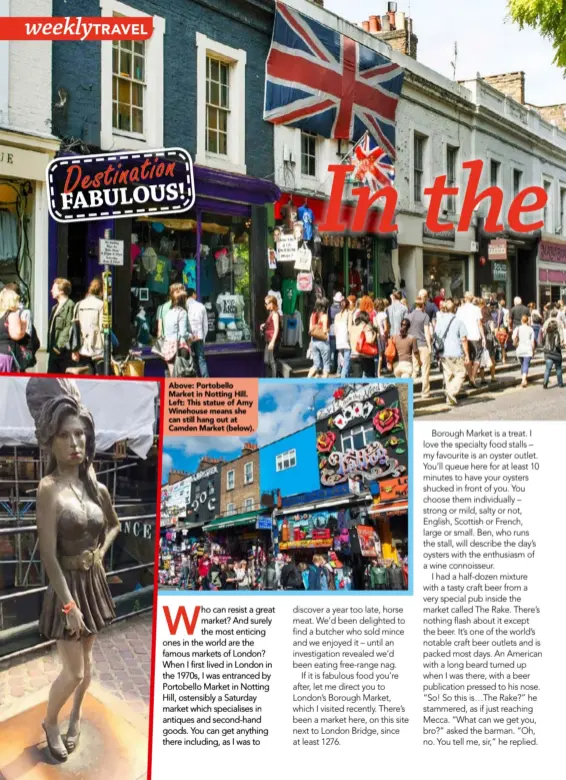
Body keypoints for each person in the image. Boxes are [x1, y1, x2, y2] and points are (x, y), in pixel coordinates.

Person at [26, 378, 120, 761]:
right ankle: (51, 721)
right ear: (52, 440)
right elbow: (47, 555)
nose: (75, 443)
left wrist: (101, 551)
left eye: (80, 434)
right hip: (66, 588)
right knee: (74, 671)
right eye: (66, 436)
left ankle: (76, 717)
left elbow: (113, 525)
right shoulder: (48, 489)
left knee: (89, 662)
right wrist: (69, 606)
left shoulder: (93, 485)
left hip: (92, 581)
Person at [435, 300, 470, 405]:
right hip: (455, 352)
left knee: (448, 374)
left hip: (443, 352)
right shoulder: (459, 321)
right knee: (461, 373)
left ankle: (449, 399)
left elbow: (436, 336)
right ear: (455, 309)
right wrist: (467, 354)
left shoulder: (440, 321)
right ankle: (451, 392)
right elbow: (463, 339)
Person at [71, 278, 104, 374]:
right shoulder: (101, 305)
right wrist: (108, 351)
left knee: (85, 382)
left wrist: (74, 350)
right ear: (101, 291)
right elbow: (103, 329)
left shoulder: (79, 304)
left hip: (83, 348)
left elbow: (75, 328)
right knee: (101, 382)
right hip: (98, 349)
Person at [456, 291, 485, 387]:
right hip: (475, 335)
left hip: (464, 336)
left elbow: (457, 324)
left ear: (464, 298)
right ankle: (472, 377)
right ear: (472, 298)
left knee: (467, 357)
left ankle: (470, 377)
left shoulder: (460, 309)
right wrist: (483, 337)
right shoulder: (476, 309)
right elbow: (479, 324)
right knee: (477, 357)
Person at [162, 288, 192, 377]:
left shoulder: (168, 313)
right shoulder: (182, 312)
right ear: (183, 300)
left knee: (171, 375)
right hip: (179, 348)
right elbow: (183, 333)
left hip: (167, 348)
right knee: (182, 376)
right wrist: (191, 336)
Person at [48, 278, 75, 374]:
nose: (51, 291)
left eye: (54, 289)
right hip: (53, 350)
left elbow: (68, 328)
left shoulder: (70, 305)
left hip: (62, 352)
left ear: (61, 291)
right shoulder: (54, 307)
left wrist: (58, 347)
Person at [407, 297, 432, 397]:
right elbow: (427, 332)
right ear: (423, 305)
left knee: (414, 369)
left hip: (412, 346)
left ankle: (408, 390)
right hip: (422, 344)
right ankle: (425, 392)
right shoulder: (425, 316)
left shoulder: (408, 316)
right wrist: (429, 346)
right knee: (425, 370)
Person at [0, 287, 27, 371]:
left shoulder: (1, 314)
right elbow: (16, 335)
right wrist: (24, 327)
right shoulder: (11, 315)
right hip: (6, 355)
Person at [185, 288, 209, 377]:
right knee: (201, 359)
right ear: (193, 294)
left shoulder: (184, 307)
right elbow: (205, 325)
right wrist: (203, 338)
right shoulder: (201, 306)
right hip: (199, 336)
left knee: (190, 360)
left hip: (188, 338)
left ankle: (193, 380)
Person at [349, 310, 377, 377]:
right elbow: (369, 340)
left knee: (356, 378)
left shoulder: (352, 327)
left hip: (353, 355)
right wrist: (375, 334)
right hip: (365, 356)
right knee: (370, 378)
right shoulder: (366, 327)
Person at [307, 298, 331, 378]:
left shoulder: (312, 314)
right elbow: (324, 331)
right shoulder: (324, 316)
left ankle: (308, 378)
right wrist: (328, 329)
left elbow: (310, 328)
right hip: (323, 342)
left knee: (316, 364)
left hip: (314, 341)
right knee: (326, 365)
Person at [512, 314, 535, 388]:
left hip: (520, 349)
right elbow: (532, 341)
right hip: (528, 349)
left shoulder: (517, 328)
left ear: (521, 321)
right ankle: (523, 379)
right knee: (526, 364)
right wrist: (533, 350)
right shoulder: (530, 329)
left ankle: (523, 378)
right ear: (527, 321)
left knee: (523, 364)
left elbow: (513, 337)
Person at [261, 295, 281, 378]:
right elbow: (270, 325)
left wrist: (272, 342)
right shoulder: (271, 313)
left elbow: (276, 329)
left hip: (273, 340)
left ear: (271, 304)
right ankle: (269, 377)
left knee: (272, 361)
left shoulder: (275, 314)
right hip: (268, 340)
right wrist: (263, 325)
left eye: (266, 304)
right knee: (266, 360)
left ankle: (274, 379)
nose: (265, 305)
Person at [333, 296, 352, 378]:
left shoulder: (337, 315)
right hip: (346, 339)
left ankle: (343, 376)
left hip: (339, 340)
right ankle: (343, 378)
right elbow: (350, 328)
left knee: (341, 359)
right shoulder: (349, 314)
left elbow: (335, 330)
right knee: (347, 360)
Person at [542, 319, 564, 389]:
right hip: (556, 354)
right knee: (558, 369)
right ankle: (560, 384)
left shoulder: (546, 333)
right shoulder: (556, 333)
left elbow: (543, 342)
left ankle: (545, 384)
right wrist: (561, 346)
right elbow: (557, 344)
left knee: (548, 369)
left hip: (548, 353)